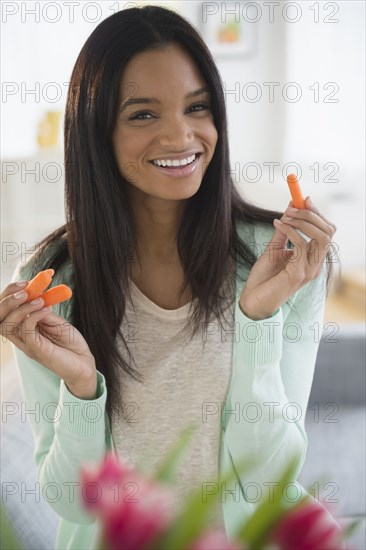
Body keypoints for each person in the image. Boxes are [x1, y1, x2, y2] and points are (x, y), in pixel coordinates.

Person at [0, 5, 337, 549]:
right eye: (142, 114)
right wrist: (82, 390)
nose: (181, 136)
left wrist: (258, 318)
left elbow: (266, 478)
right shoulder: (50, 280)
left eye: (197, 107)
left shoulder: (279, 262)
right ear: (95, 131)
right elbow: (74, 501)